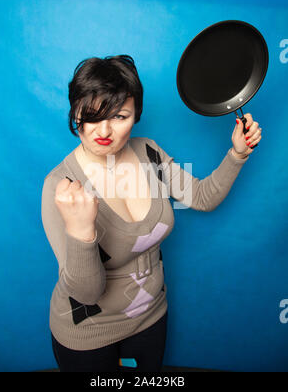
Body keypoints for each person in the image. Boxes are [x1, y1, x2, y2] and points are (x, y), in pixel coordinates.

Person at [41, 54, 262, 372]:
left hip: (151, 317)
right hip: (88, 332)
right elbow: (87, 293)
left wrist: (237, 154)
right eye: (91, 116)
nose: (104, 129)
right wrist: (80, 231)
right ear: (75, 113)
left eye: (119, 116)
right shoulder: (58, 185)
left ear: (136, 115)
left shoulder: (149, 152)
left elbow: (201, 197)